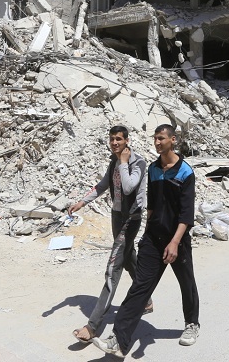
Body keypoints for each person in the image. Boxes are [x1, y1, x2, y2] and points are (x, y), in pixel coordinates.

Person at [93, 124, 200, 357]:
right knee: (139, 287)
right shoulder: (153, 169)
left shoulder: (185, 172)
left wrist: (175, 242)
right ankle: (118, 340)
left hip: (177, 239)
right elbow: (151, 205)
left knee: (186, 282)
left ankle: (192, 323)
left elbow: (186, 214)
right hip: (153, 238)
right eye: (155, 138)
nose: (157, 142)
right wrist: (147, 234)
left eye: (161, 138)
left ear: (173, 140)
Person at [69, 125, 150, 343]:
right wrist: (82, 202)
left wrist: (123, 162)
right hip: (117, 217)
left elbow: (128, 187)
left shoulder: (138, 163)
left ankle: (93, 325)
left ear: (127, 141)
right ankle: (146, 298)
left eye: (119, 139)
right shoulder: (113, 161)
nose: (114, 143)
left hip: (131, 219)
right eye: (112, 139)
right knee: (128, 256)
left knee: (113, 268)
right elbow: (103, 185)